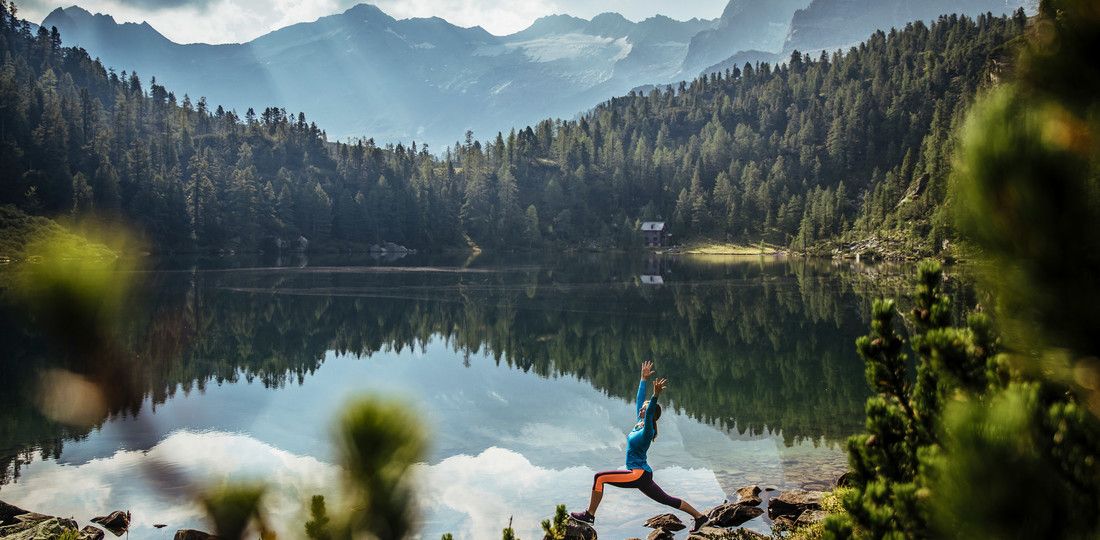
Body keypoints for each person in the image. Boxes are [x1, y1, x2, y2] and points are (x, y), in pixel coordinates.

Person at [570, 360, 710, 533]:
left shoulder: (647, 431)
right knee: (667, 499)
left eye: (644, 408)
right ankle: (700, 517)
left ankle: (590, 515)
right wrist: (643, 379)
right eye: (643, 407)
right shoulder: (639, 423)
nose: (641, 408)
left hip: (638, 474)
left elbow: (650, 409)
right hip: (642, 474)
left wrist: (655, 396)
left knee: (600, 478)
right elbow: (638, 399)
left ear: (649, 413)